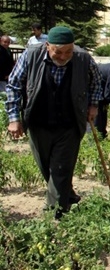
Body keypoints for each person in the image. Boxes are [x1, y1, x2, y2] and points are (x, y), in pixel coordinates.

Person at [5, 26, 102, 219]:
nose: (64, 56)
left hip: (70, 123)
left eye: (68, 51)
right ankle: (68, 194)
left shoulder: (83, 58)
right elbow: (14, 85)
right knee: (46, 167)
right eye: (58, 52)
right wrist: (14, 118)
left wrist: (93, 104)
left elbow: (96, 82)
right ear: (47, 46)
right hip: (39, 122)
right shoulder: (31, 55)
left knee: (61, 168)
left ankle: (55, 216)